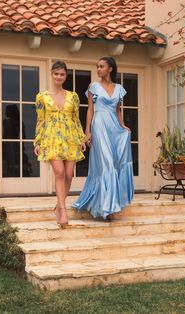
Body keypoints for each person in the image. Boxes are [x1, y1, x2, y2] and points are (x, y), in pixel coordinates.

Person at [73, 56, 134, 220]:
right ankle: (108, 207)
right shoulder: (93, 86)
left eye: (101, 66)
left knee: (114, 163)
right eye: (97, 66)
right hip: (99, 125)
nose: (98, 69)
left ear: (110, 69)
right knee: (107, 164)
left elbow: (118, 110)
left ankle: (111, 204)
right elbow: (90, 110)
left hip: (114, 127)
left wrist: (123, 126)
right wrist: (88, 131)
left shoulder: (119, 88)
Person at [34, 60, 86, 225]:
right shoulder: (42, 97)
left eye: (62, 74)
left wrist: (81, 138)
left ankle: (58, 205)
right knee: (60, 173)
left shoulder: (73, 96)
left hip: (70, 138)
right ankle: (63, 210)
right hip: (51, 139)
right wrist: (37, 141)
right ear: (52, 74)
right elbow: (40, 120)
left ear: (66, 76)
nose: (59, 76)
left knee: (69, 175)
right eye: (56, 73)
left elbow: (76, 119)